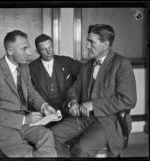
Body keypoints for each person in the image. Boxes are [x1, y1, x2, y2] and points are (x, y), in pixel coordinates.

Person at [51, 24, 137, 157]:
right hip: (83, 118)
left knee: (82, 149)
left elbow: (128, 100)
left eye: (91, 42)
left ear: (105, 44)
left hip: (107, 121)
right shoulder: (86, 66)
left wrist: (94, 105)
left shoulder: (121, 64)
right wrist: (73, 101)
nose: (87, 46)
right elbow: (74, 89)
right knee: (50, 136)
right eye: (87, 41)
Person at [0, 30, 57, 157]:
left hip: (22, 122)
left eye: (28, 48)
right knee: (26, 154)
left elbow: (31, 92)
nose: (29, 53)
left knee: (47, 135)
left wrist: (44, 106)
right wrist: (24, 119)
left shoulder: (24, 67)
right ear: (10, 51)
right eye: (24, 48)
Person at [29, 34, 81, 121]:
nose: (49, 51)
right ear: (38, 51)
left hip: (67, 111)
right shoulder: (31, 68)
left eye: (50, 47)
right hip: (44, 113)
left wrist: (74, 101)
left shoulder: (67, 62)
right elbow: (29, 93)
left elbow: (84, 76)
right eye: (44, 49)